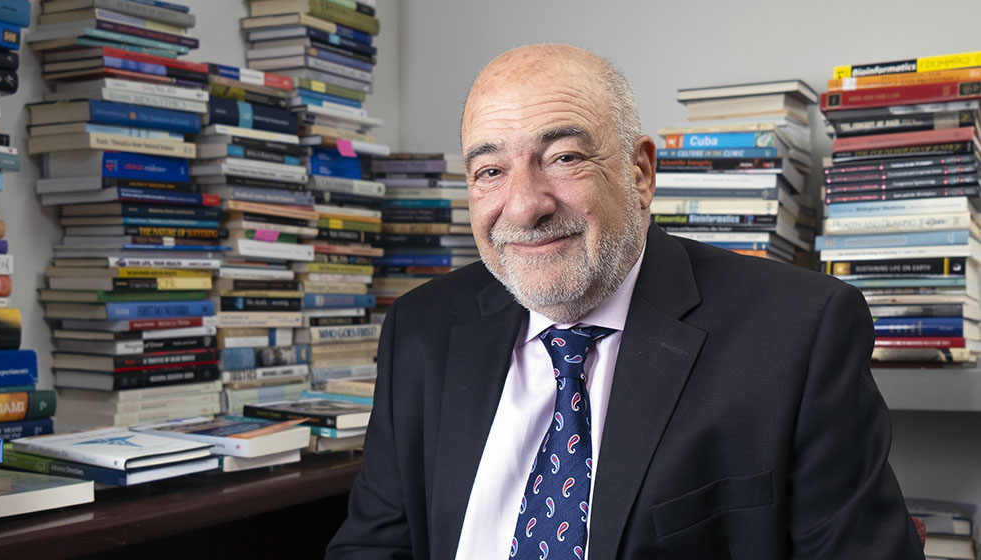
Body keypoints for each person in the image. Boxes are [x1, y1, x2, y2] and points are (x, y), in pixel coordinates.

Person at [326, 44, 924, 560]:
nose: (524, 204)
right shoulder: (422, 330)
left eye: (563, 158)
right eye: (489, 170)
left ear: (640, 172)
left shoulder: (799, 333)